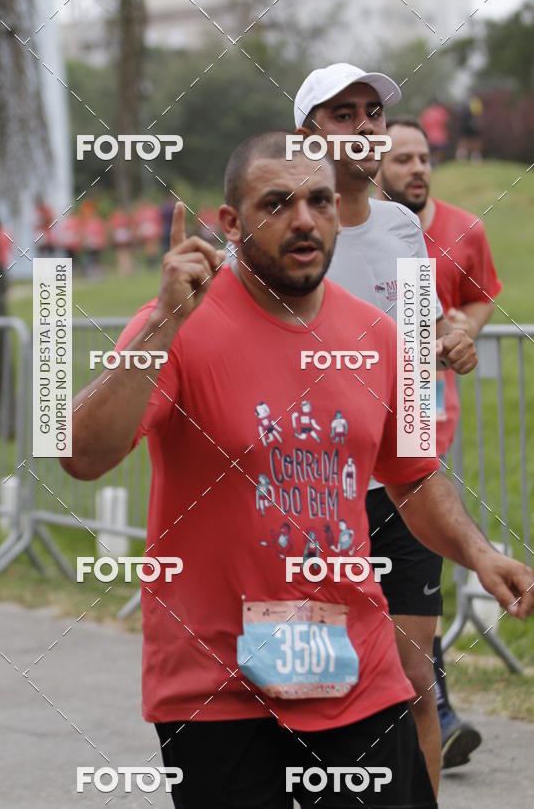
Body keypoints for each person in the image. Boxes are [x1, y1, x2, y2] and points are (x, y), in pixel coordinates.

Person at [62, 132, 533, 809]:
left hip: (354, 668)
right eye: (277, 203)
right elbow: (82, 454)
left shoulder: (376, 337)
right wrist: (163, 323)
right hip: (219, 686)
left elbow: (413, 475)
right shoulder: (181, 324)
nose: (304, 219)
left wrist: (479, 553)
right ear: (230, 223)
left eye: (319, 200)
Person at [294, 62, 477, 795]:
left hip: (400, 489)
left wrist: (451, 334)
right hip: (308, 493)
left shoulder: (402, 227)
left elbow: (420, 331)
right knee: (309, 688)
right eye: (345, 115)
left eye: (373, 113)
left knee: (415, 685)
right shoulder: (292, 226)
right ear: (307, 133)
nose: (365, 127)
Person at [376, 116, 503, 768]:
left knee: (417, 569)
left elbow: (483, 298)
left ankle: (431, 707)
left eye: (423, 157)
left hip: (426, 430)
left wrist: (464, 327)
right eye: (402, 159)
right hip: (351, 451)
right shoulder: (356, 236)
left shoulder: (462, 230)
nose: (417, 169)